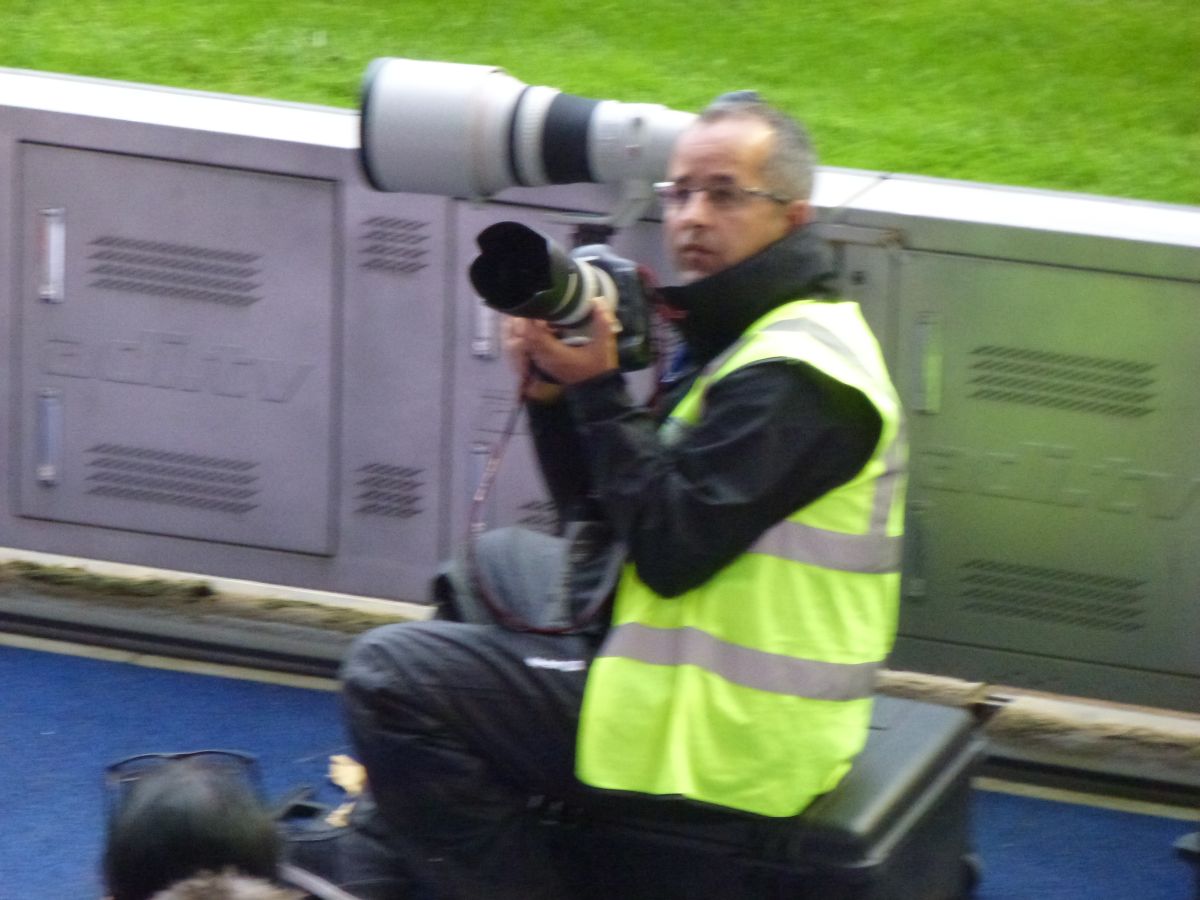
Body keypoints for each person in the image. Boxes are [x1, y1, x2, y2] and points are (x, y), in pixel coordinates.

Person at [337, 93, 906, 899]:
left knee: (387, 676)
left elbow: (672, 551)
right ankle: (387, 880)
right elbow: (603, 524)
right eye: (680, 195)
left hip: (724, 737)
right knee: (488, 570)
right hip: (692, 671)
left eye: (724, 193)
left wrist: (601, 391)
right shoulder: (749, 333)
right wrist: (555, 402)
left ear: (794, 216)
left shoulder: (802, 376)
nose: (692, 218)